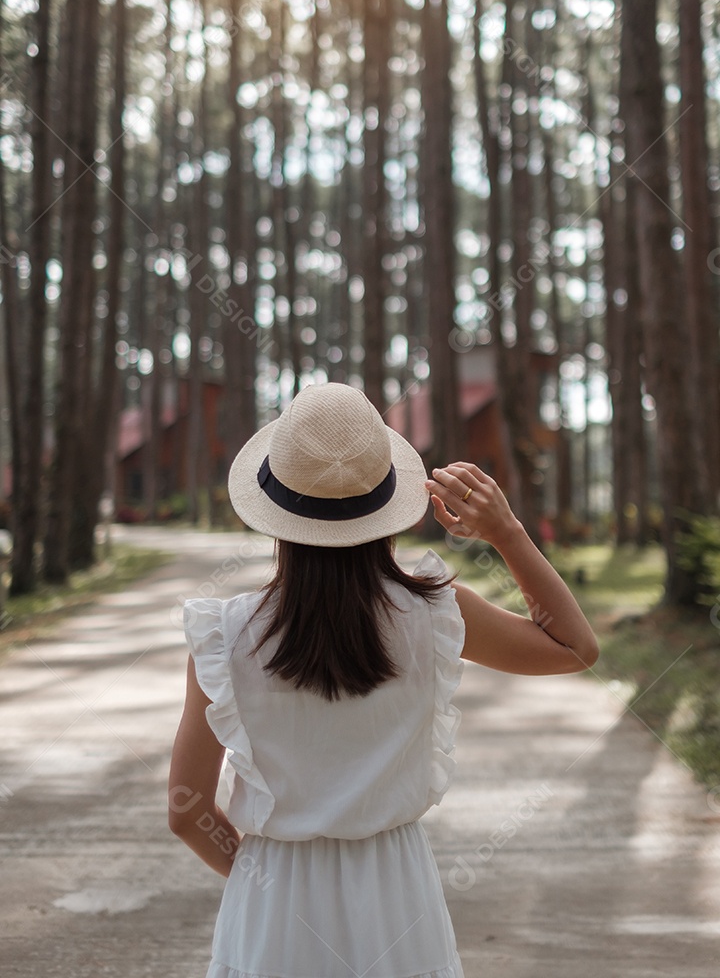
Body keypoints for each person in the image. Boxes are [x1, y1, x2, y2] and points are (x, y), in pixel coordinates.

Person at [168, 382, 599, 978]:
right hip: (398, 897)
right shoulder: (439, 613)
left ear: (278, 512)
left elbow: (186, 810)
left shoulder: (224, 636)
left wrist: (255, 875)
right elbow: (575, 647)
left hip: (272, 898)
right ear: (386, 503)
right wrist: (508, 534)